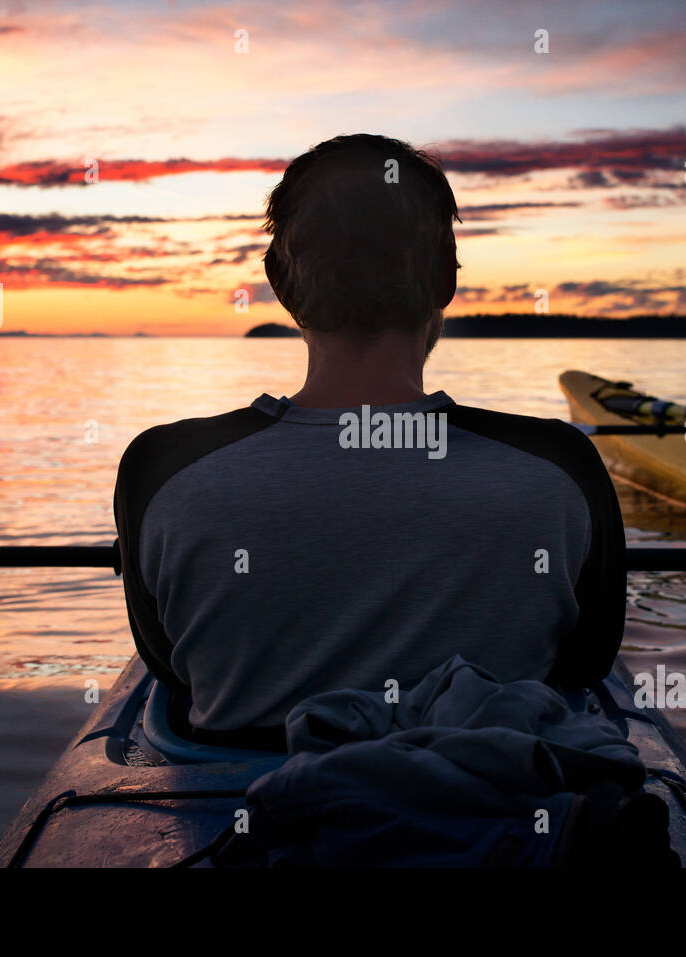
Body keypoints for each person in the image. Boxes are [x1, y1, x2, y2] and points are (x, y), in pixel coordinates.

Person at [113, 134, 625, 748]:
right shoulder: (560, 466)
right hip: (492, 805)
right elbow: (584, 665)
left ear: (279, 282)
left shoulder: (161, 468)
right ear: (445, 278)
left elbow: (170, 668)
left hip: (249, 823)